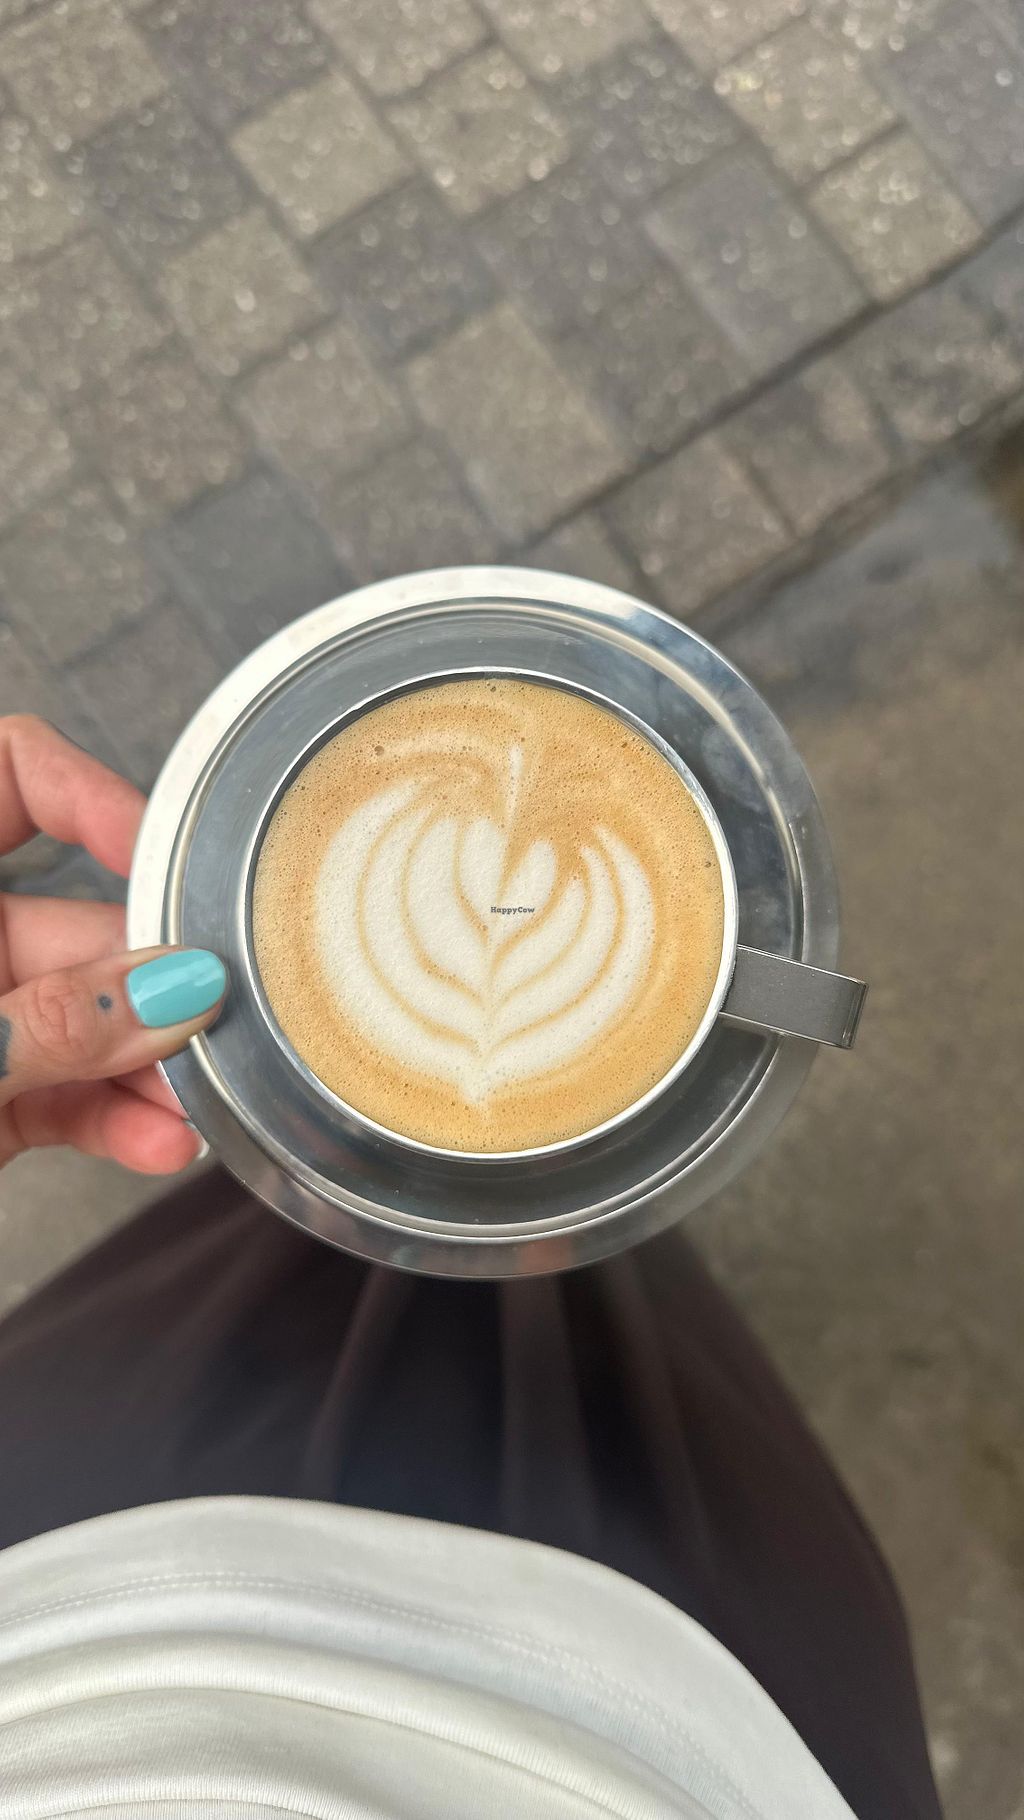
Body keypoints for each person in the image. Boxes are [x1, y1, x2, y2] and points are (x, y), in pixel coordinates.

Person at [0, 715, 942, 1819]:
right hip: (685, 1706)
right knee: (586, 1312)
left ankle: (511, 1215)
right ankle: (564, 1251)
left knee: (344, 1207)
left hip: (58, 1566)